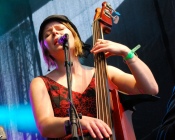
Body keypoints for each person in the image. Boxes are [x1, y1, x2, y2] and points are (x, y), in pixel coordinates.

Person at [29, 14, 159, 140]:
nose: (55, 33)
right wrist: (79, 121)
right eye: (48, 34)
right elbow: (45, 126)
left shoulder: (104, 73)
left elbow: (150, 89)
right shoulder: (40, 83)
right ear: (45, 49)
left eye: (60, 29)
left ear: (75, 37)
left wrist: (127, 53)